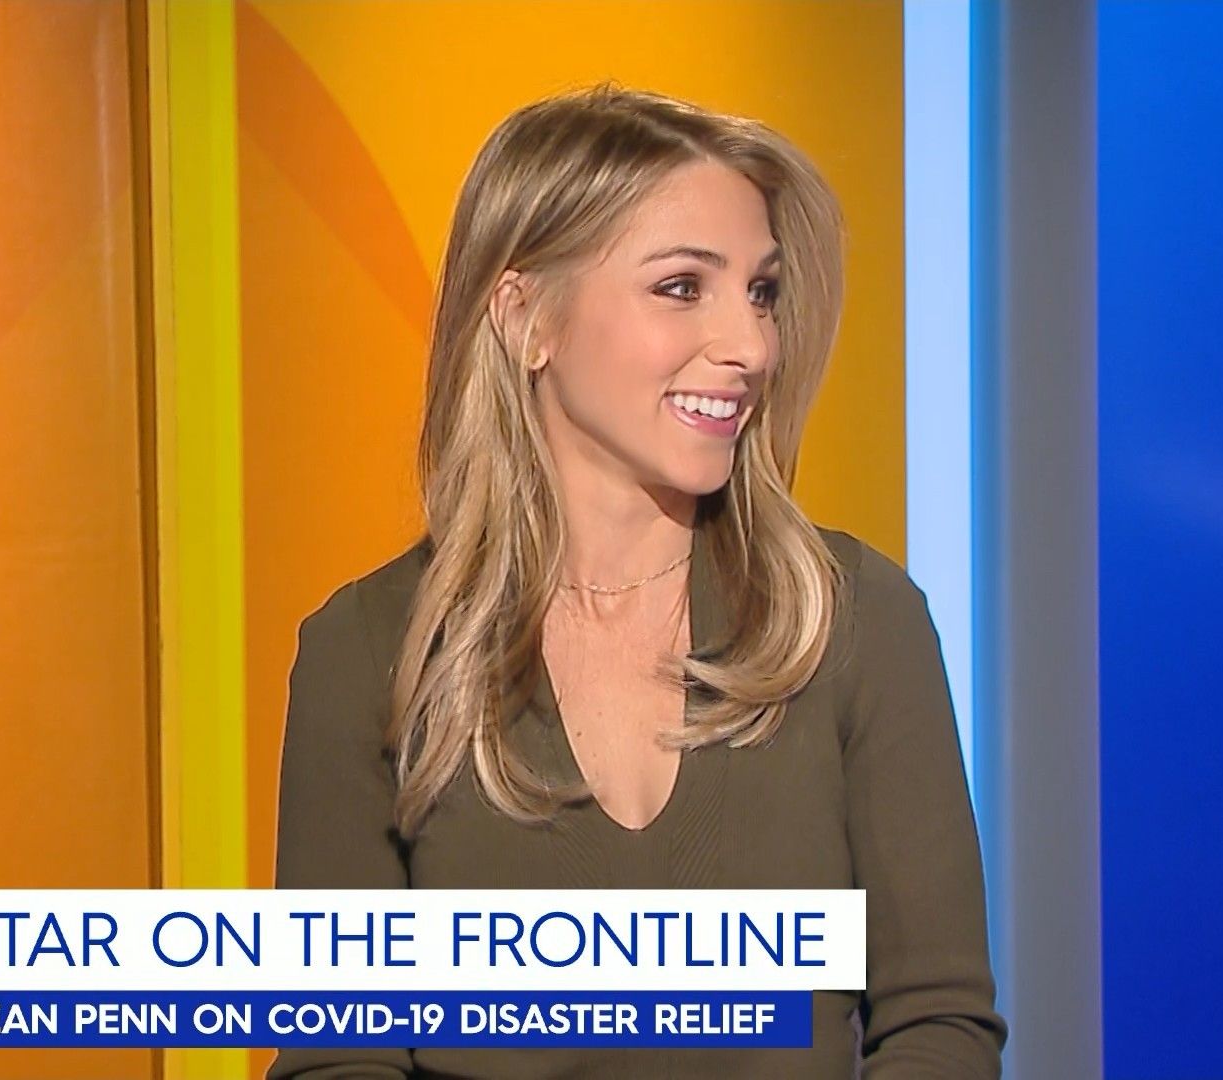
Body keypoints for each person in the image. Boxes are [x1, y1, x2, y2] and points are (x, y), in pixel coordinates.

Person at [268, 82, 1005, 1079]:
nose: (750, 346)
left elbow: (938, 1025)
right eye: (682, 287)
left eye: (761, 292)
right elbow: (338, 1056)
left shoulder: (855, 620)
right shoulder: (366, 653)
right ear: (526, 316)